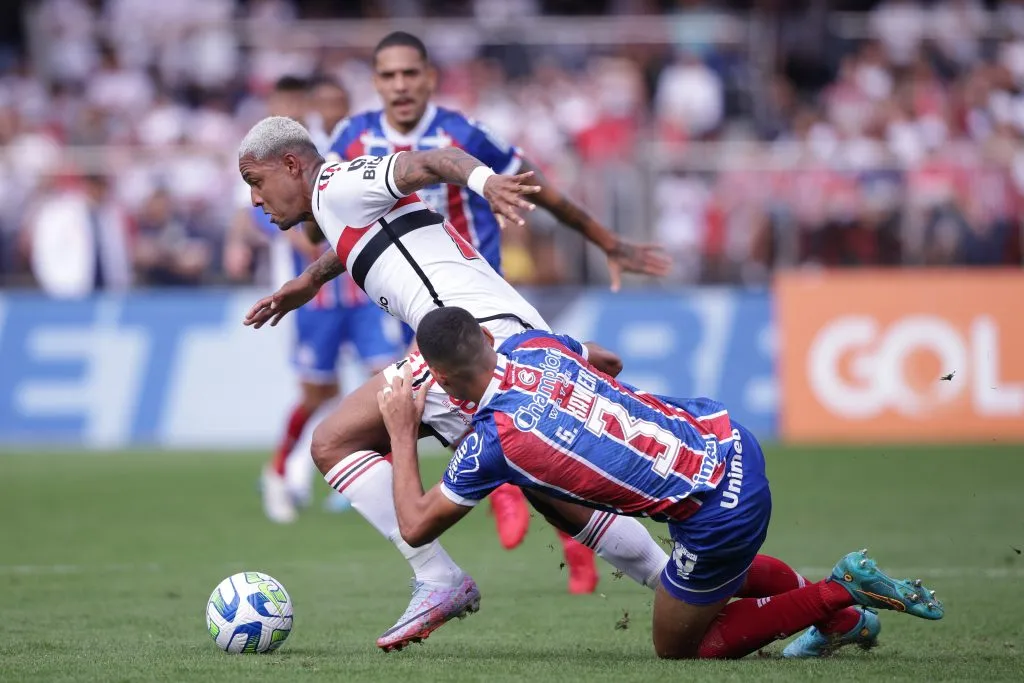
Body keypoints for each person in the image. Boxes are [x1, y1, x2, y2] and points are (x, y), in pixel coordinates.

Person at [238, 117, 672, 651]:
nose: (255, 199)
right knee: (553, 494)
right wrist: (306, 282)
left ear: (290, 165)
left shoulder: (338, 184)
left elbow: (433, 160)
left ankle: (439, 580)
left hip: (465, 346)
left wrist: (486, 183)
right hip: (518, 344)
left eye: (255, 182)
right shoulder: (340, 210)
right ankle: (689, 587)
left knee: (332, 442)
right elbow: (354, 245)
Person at [376, 306, 946, 658]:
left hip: (716, 509)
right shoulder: (534, 345)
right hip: (725, 437)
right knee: (720, 574)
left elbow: (417, 525)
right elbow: (610, 361)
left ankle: (843, 591)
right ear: (484, 335)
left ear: (448, 387)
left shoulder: (493, 443)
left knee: (681, 648)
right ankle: (842, 621)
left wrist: (403, 429)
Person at [327, 31, 671, 577]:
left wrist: (605, 240)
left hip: (482, 320)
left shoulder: (463, 134)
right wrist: (308, 274)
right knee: (506, 441)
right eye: (388, 75)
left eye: (410, 73)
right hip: (411, 309)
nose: (400, 85)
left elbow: (541, 191)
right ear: (375, 82)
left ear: (430, 77)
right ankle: (602, 541)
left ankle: (531, 535)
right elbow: (338, 225)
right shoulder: (351, 137)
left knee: (517, 439)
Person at [225, 76, 401, 522]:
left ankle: (380, 475)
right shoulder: (259, 158)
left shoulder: (327, 148)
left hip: (359, 290)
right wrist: (293, 238)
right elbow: (253, 215)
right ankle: (278, 470)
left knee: (390, 381)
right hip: (313, 298)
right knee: (317, 392)